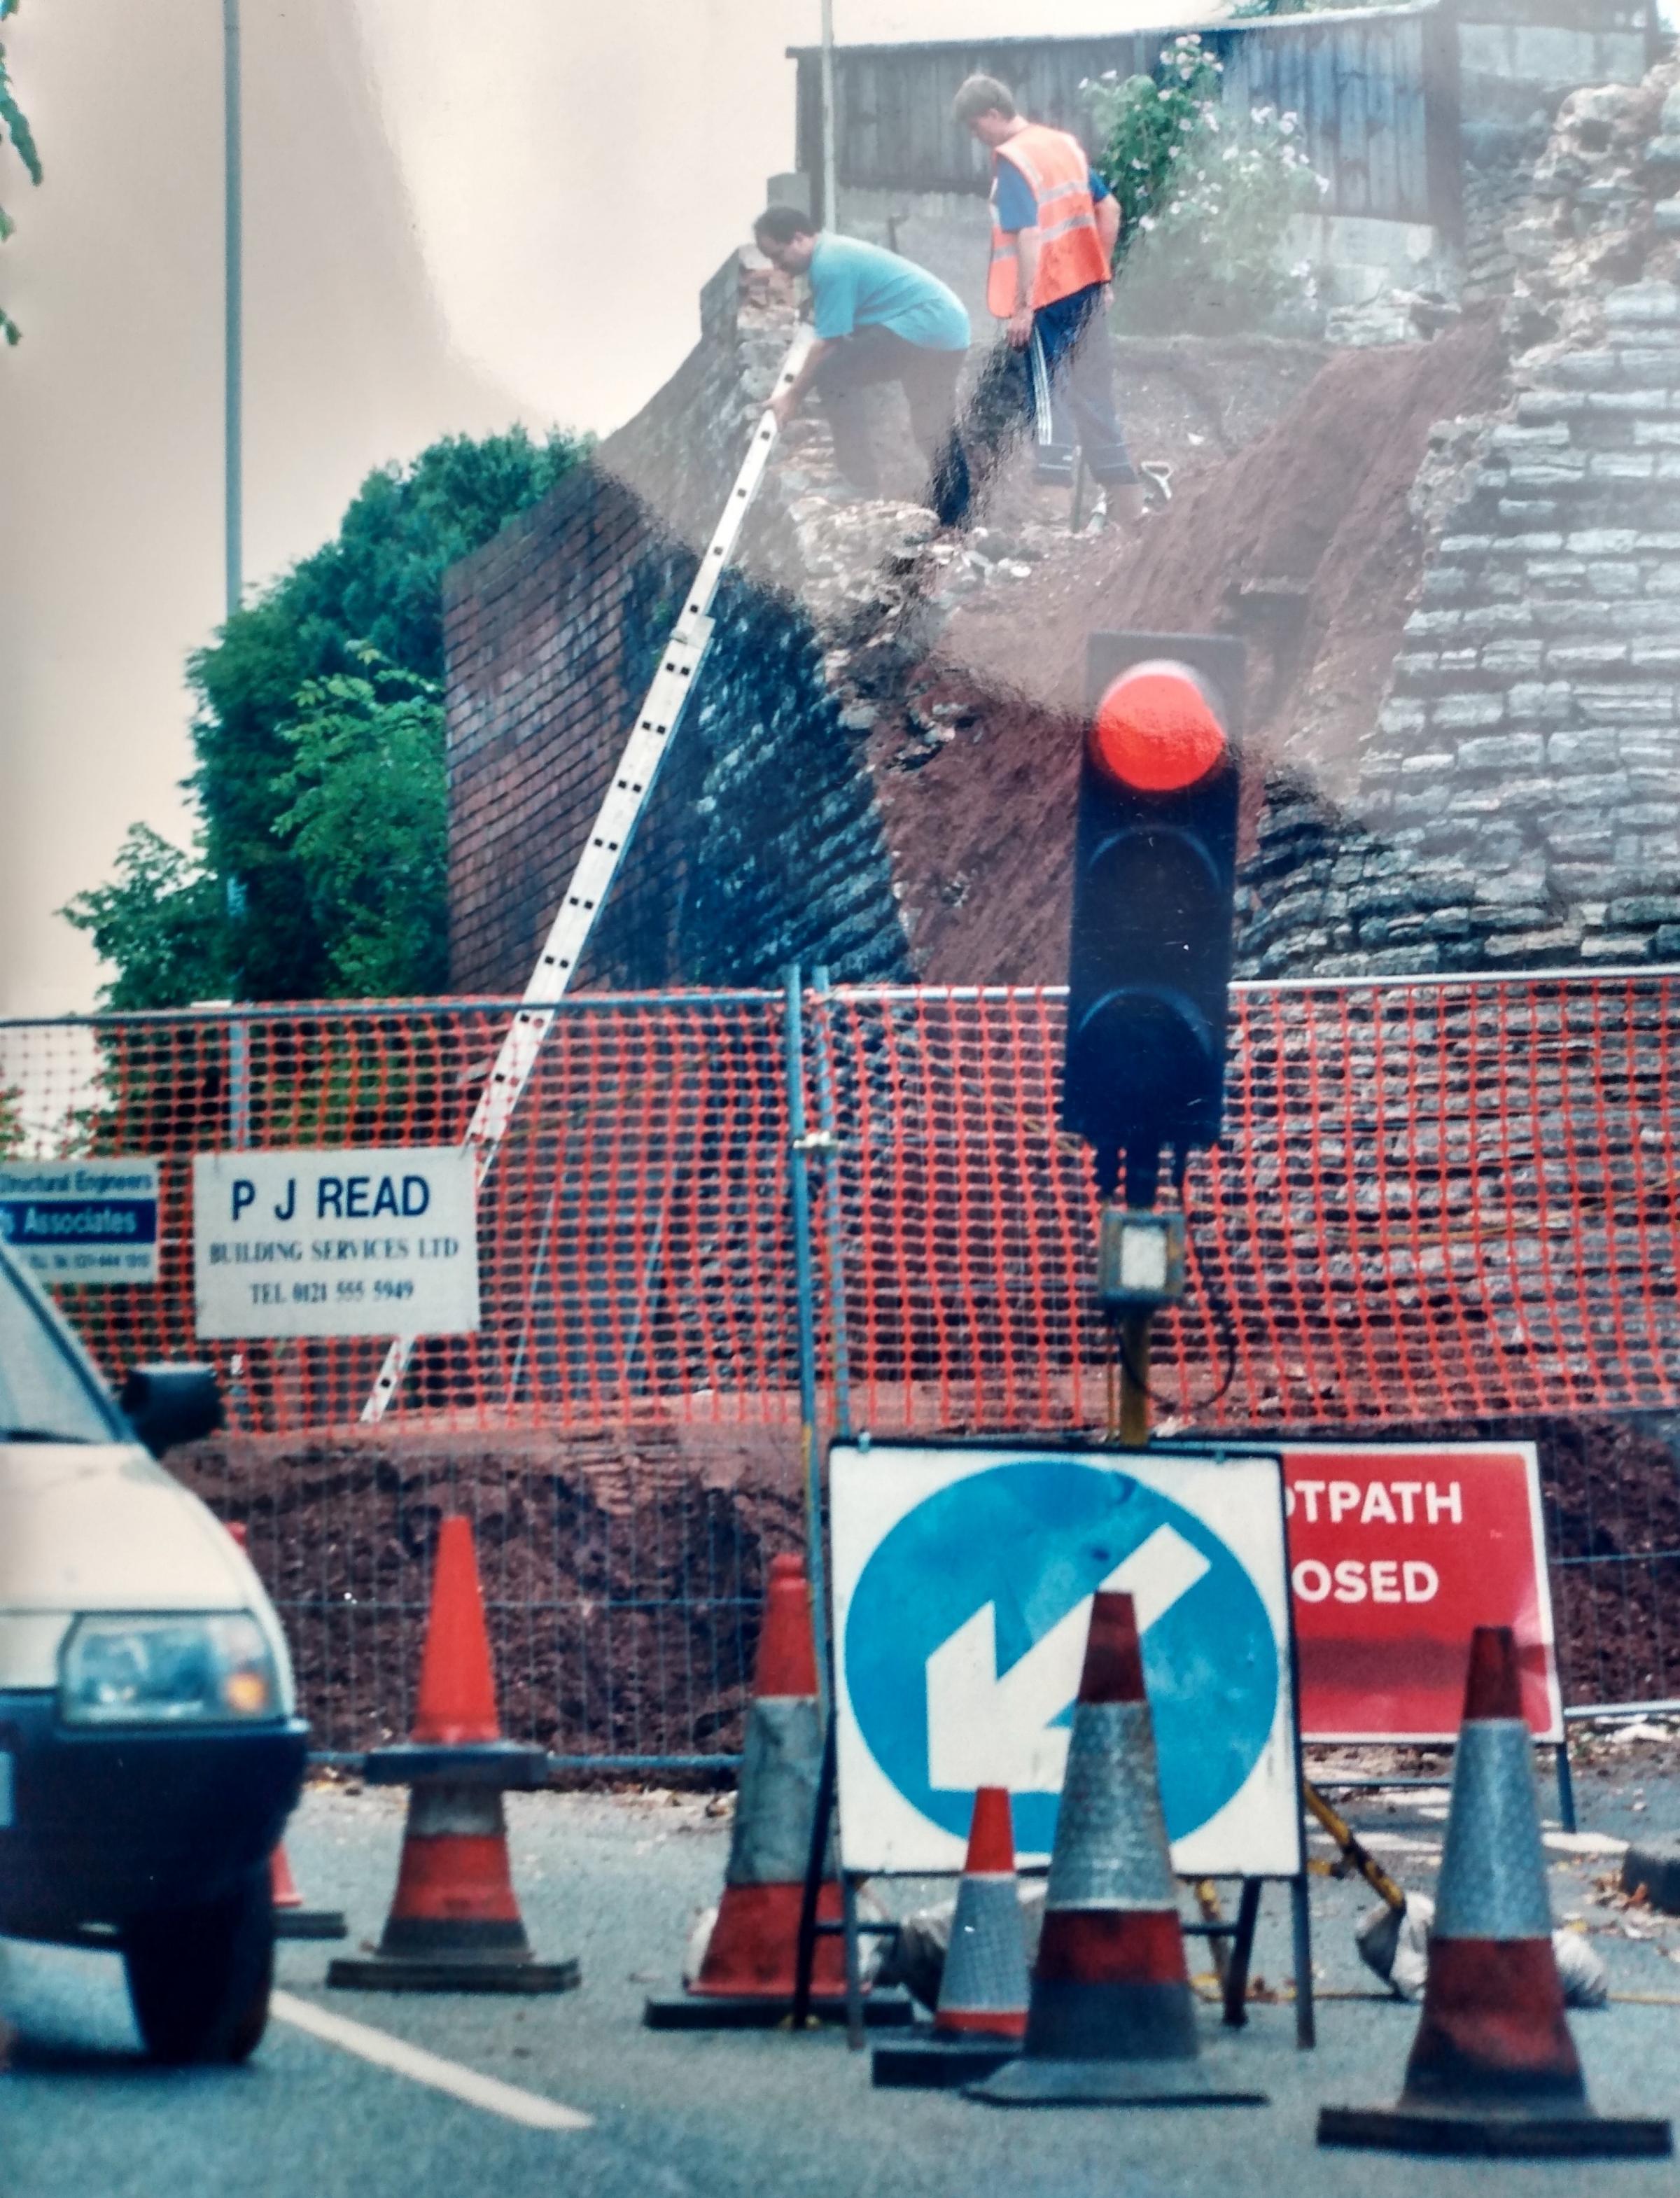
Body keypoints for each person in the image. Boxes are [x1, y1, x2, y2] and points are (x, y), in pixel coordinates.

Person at [951, 74, 1144, 525]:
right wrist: (1103, 275)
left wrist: (1023, 306)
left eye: (978, 129)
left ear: (994, 114)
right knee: (1096, 401)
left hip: (1048, 300)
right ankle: (1136, 522)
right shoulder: (1063, 145)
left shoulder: (1015, 158)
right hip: (1088, 294)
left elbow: (1030, 233)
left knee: (1050, 400)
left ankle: (1052, 537)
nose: (979, 140)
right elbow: (1110, 209)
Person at [753, 206, 972, 527]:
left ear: (798, 238)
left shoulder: (830, 264)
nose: (777, 267)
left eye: (778, 255)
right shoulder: (834, 251)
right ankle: (958, 512)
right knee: (931, 423)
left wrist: (792, 396)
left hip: (928, 327)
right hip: (947, 329)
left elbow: (829, 343)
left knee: (832, 374)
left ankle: (858, 481)